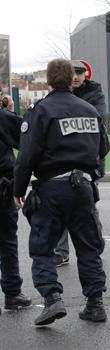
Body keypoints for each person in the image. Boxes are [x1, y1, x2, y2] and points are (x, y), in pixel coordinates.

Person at [13, 58, 110, 325]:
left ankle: (52, 299)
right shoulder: (90, 110)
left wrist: (18, 189)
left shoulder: (41, 110)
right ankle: (95, 304)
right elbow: (103, 149)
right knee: (88, 247)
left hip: (52, 187)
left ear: (47, 81)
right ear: (71, 80)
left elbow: (27, 155)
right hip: (84, 188)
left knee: (43, 247)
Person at [53, 60, 107, 268]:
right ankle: (61, 252)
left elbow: (98, 123)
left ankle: (95, 243)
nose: (76, 77)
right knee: (62, 208)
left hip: (86, 159)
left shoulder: (94, 94)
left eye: (80, 73)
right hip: (65, 158)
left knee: (87, 206)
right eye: (72, 73)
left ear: (86, 75)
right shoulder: (60, 95)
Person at [0, 97, 32, 315]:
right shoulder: (3, 118)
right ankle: (12, 292)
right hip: (2, 188)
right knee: (7, 240)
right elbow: (26, 140)